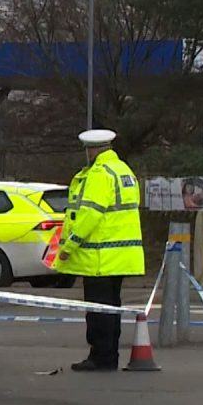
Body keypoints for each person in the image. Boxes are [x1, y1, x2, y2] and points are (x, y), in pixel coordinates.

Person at [54, 129, 145, 371]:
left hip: (99, 257)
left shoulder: (99, 174)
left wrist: (68, 246)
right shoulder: (124, 171)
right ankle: (109, 355)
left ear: (92, 150)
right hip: (121, 255)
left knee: (98, 310)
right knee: (111, 307)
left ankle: (101, 357)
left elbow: (89, 216)